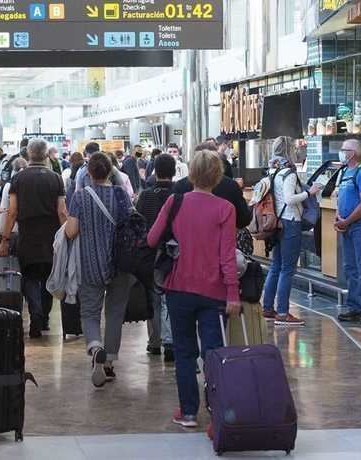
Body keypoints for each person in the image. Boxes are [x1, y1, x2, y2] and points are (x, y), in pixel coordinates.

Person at [147, 149, 240, 428]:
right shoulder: (226, 209)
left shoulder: (175, 202)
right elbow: (227, 255)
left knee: (184, 352)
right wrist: (233, 293)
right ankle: (218, 413)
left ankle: (188, 412)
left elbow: (152, 239)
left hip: (178, 287)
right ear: (218, 176)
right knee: (213, 353)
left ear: (190, 174)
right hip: (214, 291)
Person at [65, 153, 133, 388]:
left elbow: (71, 231)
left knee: (90, 312)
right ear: (111, 171)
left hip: (90, 263)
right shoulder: (121, 194)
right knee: (114, 313)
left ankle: (95, 347)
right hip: (119, 264)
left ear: (89, 173)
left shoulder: (80, 197)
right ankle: (109, 364)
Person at [0, 139, 67, 337]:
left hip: (27, 235)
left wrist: (5, 239)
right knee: (48, 275)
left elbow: (12, 212)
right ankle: (44, 317)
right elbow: (61, 211)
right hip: (51, 237)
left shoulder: (19, 179)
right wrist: (66, 237)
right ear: (46, 155)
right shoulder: (56, 178)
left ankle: (35, 313)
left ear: (28, 154)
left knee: (29, 276)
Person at [260, 137, 322, 326]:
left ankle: (268, 307)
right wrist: (310, 193)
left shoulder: (272, 170)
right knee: (288, 269)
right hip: (290, 222)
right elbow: (289, 198)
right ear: (289, 151)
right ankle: (283, 312)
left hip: (276, 223)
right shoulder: (289, 173)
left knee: (276, 266)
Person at [136, 154, 176, 362]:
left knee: (154, 297)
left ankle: (155, 341)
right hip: (174, 252)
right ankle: (171, 340)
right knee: (171, 295)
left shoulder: (146, 196)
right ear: (174, 171)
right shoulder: (180, 194)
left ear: (155, 171)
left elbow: (139, 223)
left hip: (151, 252)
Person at [335, 139, 361, 325]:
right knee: (349, 268)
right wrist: (339, 217)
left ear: (351, 153)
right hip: (347, 226)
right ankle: (354, 307)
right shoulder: (344, 172)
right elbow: (339, 197)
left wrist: (347, 220)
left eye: (344, 150)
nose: (341, 153)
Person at [172, 143, 252, 230]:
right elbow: (243, 219)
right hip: (221, 239)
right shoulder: (230, 186)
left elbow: (170, 222)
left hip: (186, 240)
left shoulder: (180, 186)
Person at [0, 158, 28, 234]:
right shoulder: (31, 184)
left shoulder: (9, 185)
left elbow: (5, 207)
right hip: (28, 226)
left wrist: (1, 230)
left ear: (13, 169)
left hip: (12, 227)